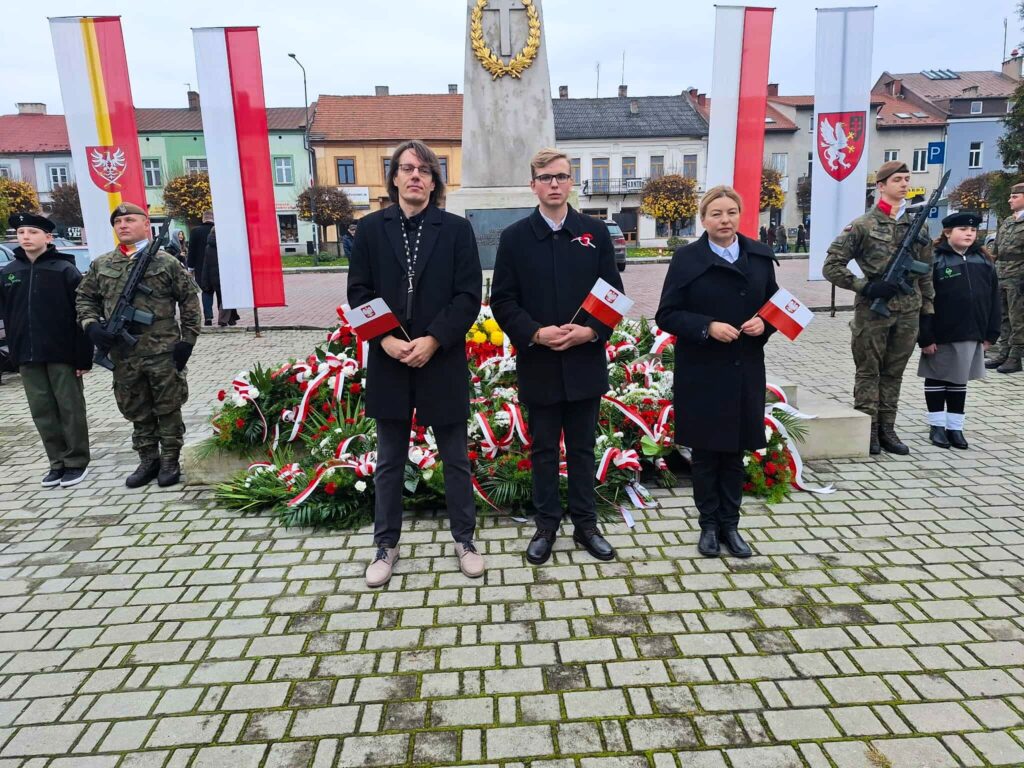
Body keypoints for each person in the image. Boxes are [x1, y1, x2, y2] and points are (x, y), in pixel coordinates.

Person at [347, 140, 483, 587]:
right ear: (394, 177)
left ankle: (465, 539)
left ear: (434, 179)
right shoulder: (369, 230)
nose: (415, 177)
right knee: (389, 460)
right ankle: (385, 546)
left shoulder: (456, 230)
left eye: (425, 170)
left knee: (455, 458)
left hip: (439, 358)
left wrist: (434, 339)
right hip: (389, 360)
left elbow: (468, 296)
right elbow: (359, 293)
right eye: (407, 169)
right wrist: (383, 339)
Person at [491, 147, 623, 566]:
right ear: (533, 185)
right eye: (545, 178)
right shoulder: (514, 238)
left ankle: (586, 525)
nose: (554, 184)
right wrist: (534, 332)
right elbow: (503, 300)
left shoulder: (595, 233)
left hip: (584, 358)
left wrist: (592, 330)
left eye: (561, 177)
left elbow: (612, 294)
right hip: (540, 361)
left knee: (583, 448)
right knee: (544, 449)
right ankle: (546, 525)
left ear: (571, 183)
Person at [655, 186, 778, 559]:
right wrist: (707, 326)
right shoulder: (687, 259)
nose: (724, 220)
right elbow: (667, 314)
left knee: (735, 453)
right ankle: (708, 526)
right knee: (707, 454)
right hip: (703, 370)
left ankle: (732, 525)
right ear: (703, 219)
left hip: (744, 368)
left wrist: (764, 323)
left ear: (740, 215)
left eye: (731, 213)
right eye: (716, 214)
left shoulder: (758, 256)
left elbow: (777, 305)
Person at [76, 202, 201, 487]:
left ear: (146, 225)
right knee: (137, 408)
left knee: (168, 407)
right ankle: (148, 459)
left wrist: (188, 340)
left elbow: (189, 301)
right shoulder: (102, 263)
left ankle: (170, 459)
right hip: (124, 352)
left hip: (163, 350)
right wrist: (92, 325)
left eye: (130, 220)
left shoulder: (166, 262)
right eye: (118, 222)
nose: (123, 226)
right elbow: (85, 298)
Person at [823, 161, 934, 455]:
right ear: (881, 186)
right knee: (869, 371)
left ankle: (887, 429)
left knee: (894, 372)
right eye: (897, 179)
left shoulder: (918, 224)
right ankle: (867, 429)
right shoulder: (862, 225)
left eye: (907, 179)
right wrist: (865, 286)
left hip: (908, 310)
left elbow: (926, 272)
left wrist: (929, 312)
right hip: (873, 311)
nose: (904, 184)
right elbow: (831, 266)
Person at [0, 213, 93, 487]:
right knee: (42, 410)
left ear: (48, 237)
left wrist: (83, 355)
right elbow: (7, 313)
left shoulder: (64, 270)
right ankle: (57, 462)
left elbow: (82, 314)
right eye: (21, 232)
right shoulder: (8, 272)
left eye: (32, 232)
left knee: (69, 408)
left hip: (61, 353)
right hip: (27, 355)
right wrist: (13, 352)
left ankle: (76, 461)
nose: (26, 237)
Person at [917, 212, 1000, 450]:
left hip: (972, 331)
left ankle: (955, 427)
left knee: (959, 379)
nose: (969, 234)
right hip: (941, 332)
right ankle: (937, 426)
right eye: (963, 229)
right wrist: (925, 335)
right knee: (938, 377)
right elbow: (924, 299)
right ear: (947, 233)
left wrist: (991, 333)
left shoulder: (983, 261)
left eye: (972, 230)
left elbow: (994, 298)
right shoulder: (934, 260)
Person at [986, 182, 1024, 373]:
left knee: (1018, 318)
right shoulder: (1008, 221)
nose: (1010, 200)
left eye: (1014, 197)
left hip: (1019, 276)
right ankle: (1003, 353)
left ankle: (1015, 357)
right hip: (1001, 274)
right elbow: (996, 249)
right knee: (1002, 316)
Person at [201, 226, 239, 327]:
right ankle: (223, 319)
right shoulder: (224, 245)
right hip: (224, 274)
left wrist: (205, 278)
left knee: (222, 296)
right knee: (226, 297)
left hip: (212, 276)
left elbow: (206, 264)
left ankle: (230, 319)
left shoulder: (208, 247)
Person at [187, 210, 216, 326]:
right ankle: (224, 319)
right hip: (219, 267)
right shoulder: (220, 230)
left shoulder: (195, 231)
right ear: (213, 218)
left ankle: (208, 317)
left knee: (206, 291)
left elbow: (191, 251)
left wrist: (190, 267)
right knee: (221, 293)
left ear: (203, 218)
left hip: (201, 269)